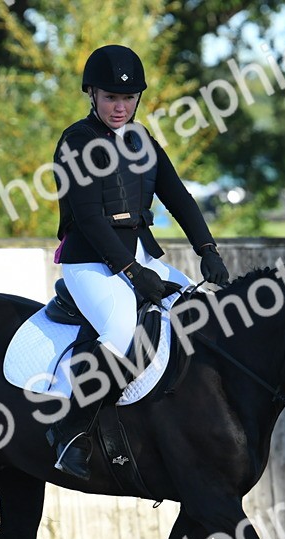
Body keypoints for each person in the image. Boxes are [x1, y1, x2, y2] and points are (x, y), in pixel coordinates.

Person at [47, 44, 230, 480]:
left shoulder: (141, 139)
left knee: (200, 313)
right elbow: (89, 218)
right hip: (90, 262)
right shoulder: (77, 141)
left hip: (140, 254)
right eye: (111, 97)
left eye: (128, 98)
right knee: (119, 329)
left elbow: (178, 197)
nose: (120, 107)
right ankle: (71, 431)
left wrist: (207, 249)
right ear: (92, 94)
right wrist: (132, 273)